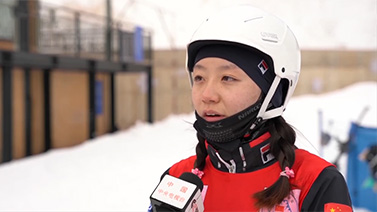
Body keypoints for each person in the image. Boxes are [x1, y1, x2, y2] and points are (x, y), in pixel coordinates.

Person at [155, 5, 353, 211]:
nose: (207, 95)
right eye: (199, 78)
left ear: (272, 92)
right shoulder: (177, 180)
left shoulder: (316, 182)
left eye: (228, 78)